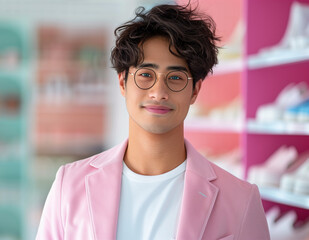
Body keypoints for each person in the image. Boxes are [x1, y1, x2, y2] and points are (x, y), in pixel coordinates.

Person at [36, 3, 270, 240]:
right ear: (122, 83)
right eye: (146, 75)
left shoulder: (240, 200)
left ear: (195, 91)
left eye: (176, 77)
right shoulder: (70, 184)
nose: (159, 92)